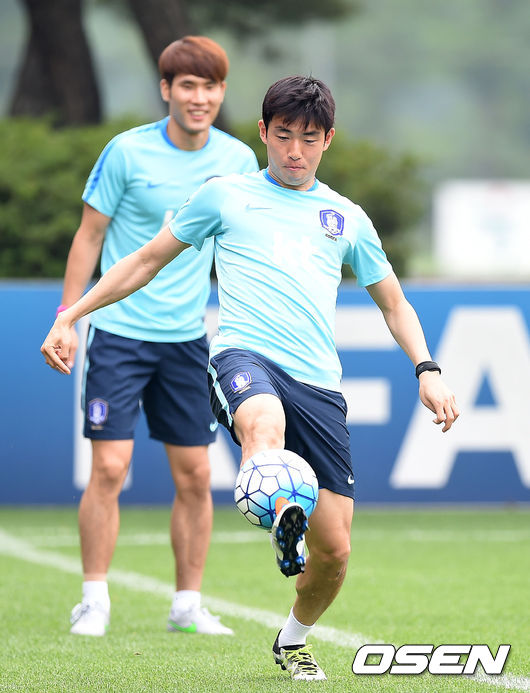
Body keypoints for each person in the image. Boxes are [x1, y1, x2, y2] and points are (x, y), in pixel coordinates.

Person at [41, 75, 459, 678]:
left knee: (335, 554)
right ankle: (280, 503)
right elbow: (145, 261)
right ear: (263, 132)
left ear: (328, 140)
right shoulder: (224, 196)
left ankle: (292, 639)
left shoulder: (346, 218)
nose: (294, 151)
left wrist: (428, 369)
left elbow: (394, 304)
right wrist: (71, 315)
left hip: (320, 384)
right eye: (283, 135)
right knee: (263, 423)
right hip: (244, 357)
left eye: (308, 139)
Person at [51, 35, 258, 638]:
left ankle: (187, 605)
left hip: (188, 340)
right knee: (111, 468)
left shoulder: (239, 161)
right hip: (118, 333)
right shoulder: (126, 152)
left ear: (221, 92)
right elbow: (89, 236)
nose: (200, 97)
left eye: (210, 86)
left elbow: (247, 246)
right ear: (166, 89)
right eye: (187, 85)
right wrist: (68, 316)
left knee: (195, 475)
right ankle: (94, 601)